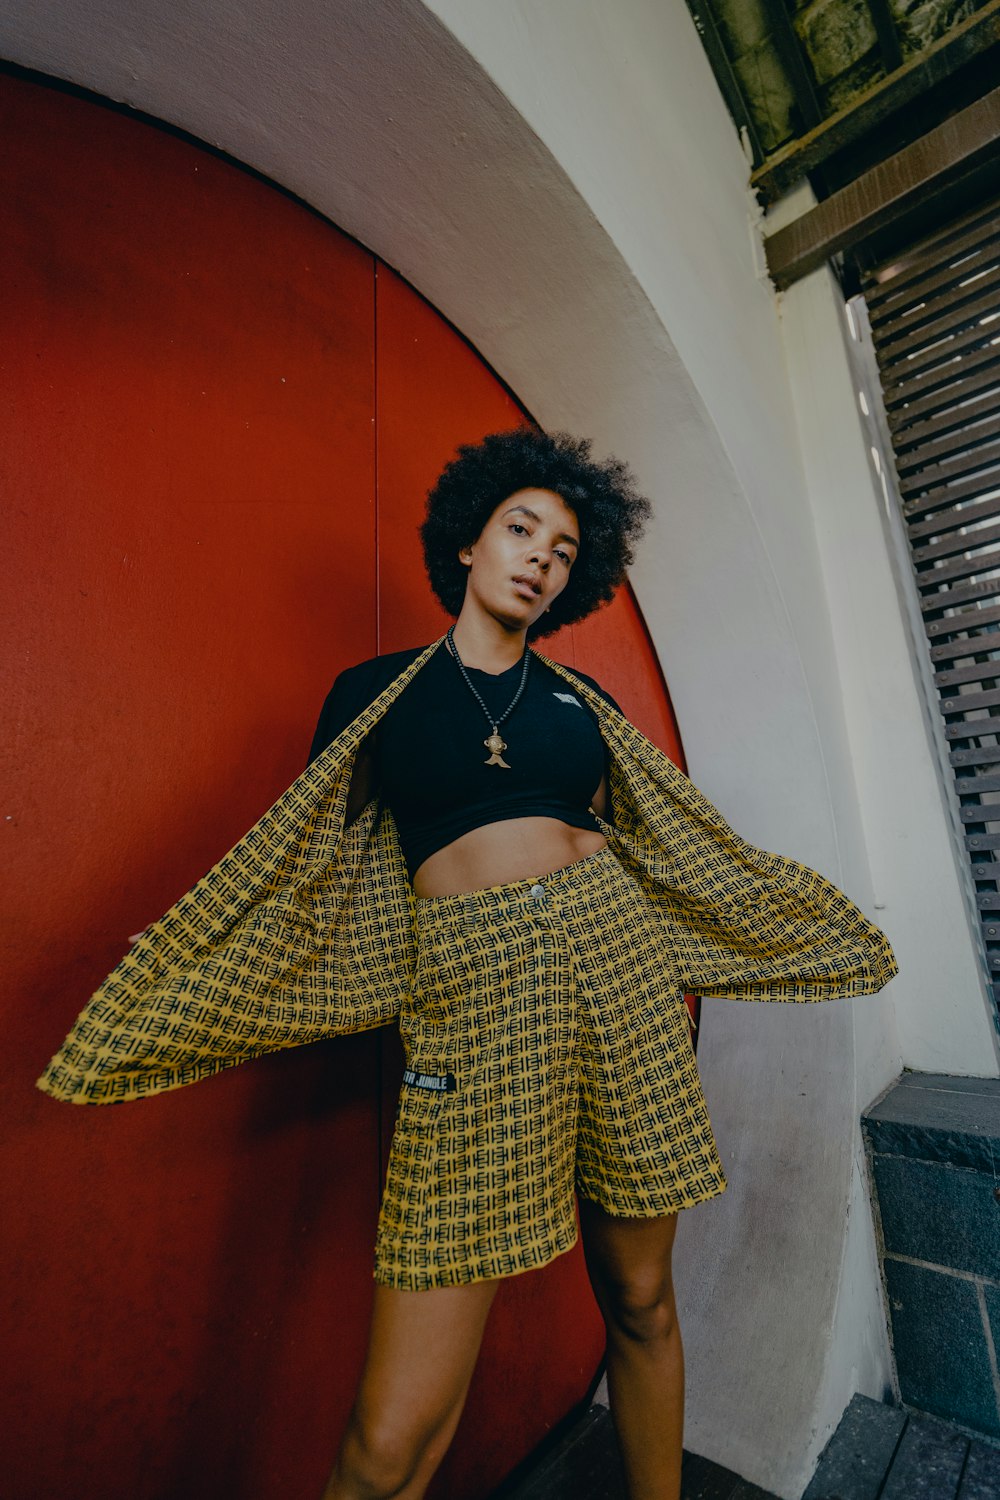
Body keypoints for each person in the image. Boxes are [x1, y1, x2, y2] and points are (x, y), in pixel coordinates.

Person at [38, 429, 897, 1500]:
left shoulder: (585, 702)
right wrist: (189, 949)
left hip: (616, 965)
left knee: (640, 1300)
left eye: (562, 546)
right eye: (520, 527)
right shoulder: (375, 692)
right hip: (474, 992)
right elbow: (301, 872)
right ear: (469, 543)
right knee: (392, 1434)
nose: (538, 555)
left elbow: (670, 846)